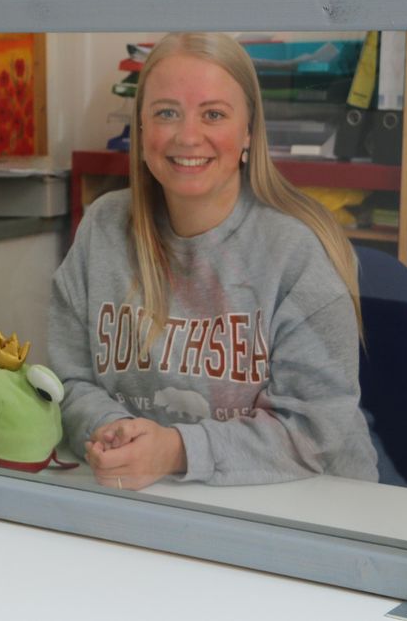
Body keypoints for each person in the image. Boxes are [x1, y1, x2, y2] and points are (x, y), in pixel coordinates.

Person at [49, 32, 378, 490]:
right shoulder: (103, 227)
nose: (187, 136)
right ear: (141, 130)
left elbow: (315, 429)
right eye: (166, 113)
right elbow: (68, 379)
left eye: (214, 115)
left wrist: (178, 450)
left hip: (307, 501)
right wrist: (112, 430)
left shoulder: (297, 250)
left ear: (248, 132)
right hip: (156, 497)